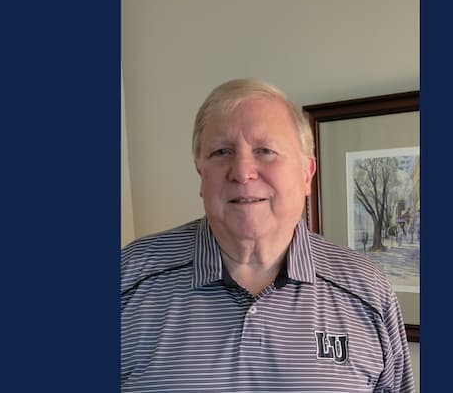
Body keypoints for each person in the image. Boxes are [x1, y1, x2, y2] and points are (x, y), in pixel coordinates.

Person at [121, 78, 415, 392]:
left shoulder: (367, 291)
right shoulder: (128, 279)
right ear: (201, 175)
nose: (242, 171)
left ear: (306, 175)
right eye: (222, 151)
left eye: (265, 151)